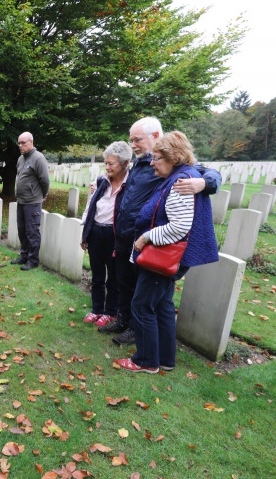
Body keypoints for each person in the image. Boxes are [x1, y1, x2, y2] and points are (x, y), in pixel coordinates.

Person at [98, 117, 221, 345]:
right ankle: (122, 319)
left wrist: (205, 184)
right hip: (125, 234)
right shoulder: (139, 162)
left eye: (137, 139)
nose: (132, 144)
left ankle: (136, 329)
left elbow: (210, 172)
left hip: (147, 239)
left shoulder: (169, 163)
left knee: (140, 286)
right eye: (131, 139)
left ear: (155, 137)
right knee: (123, 280)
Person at [80, 141, 132, 327]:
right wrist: (85, 233)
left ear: (125, 163)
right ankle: (96, 309)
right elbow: (90, 207)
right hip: (96, 231)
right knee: (97, 274)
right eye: (106, 163)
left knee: (114, 277)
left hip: (115, 234)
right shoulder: (101, 182)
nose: (107, 167)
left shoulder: (131, 183)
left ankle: (110, 312)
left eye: (111, 164)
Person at [11, 131, 50, 271]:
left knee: (32, 231)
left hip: (32, 202)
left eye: (23, 143)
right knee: (22, 230)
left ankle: (33, 260)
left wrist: (42, 195)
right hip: (21, 200)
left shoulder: (38, 158)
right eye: (19, 143)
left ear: (31, 142)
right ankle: (24, 256)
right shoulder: (21, 159)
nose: (20, 146)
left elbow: (45, 180)